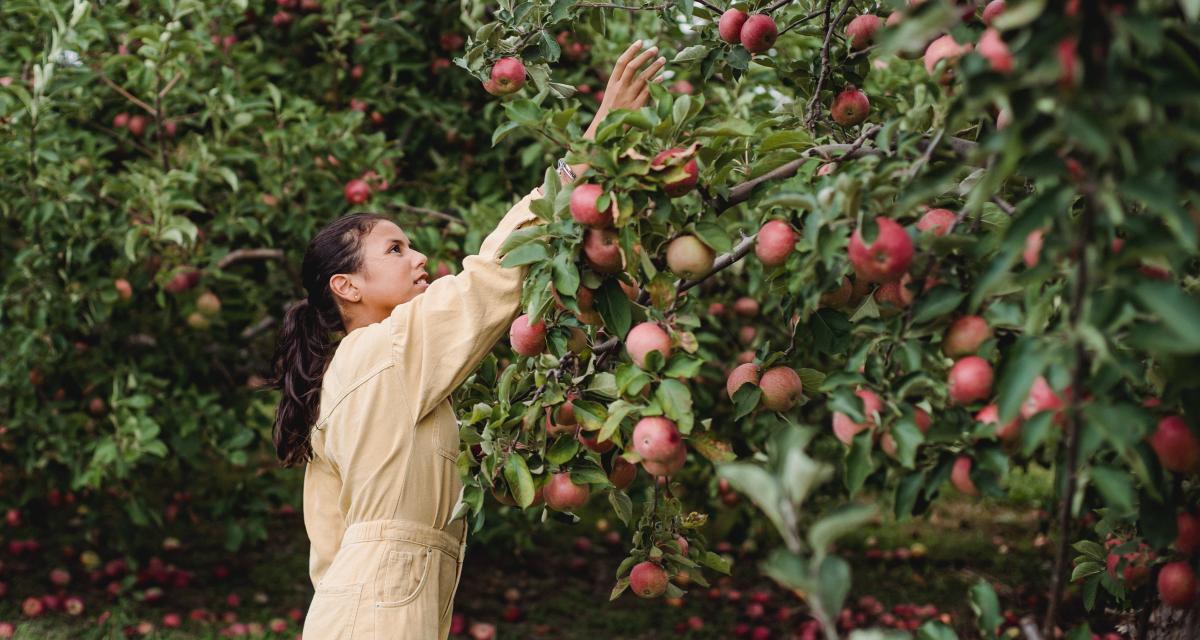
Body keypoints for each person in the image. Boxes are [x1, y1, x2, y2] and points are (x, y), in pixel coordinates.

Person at [266, 40, 667, 639]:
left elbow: (329, 546)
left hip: (354, 612)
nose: (420, 256)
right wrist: (582, 158)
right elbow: (490, 279)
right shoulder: (386, 350)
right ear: (346, 286)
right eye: (396, 250)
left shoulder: (345, 375)